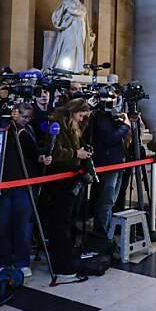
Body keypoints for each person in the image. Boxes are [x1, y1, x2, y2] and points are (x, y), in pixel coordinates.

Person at [43, 98, 93, 283]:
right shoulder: (56, 124)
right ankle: (61, 264)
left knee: (68, 220)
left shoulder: (72, 125)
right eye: (81, 115)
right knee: (60, 221)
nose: (82, 119)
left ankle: (67, 258)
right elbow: (54, 151)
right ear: (74, 111)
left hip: (70, 177)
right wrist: (75, 154)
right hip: (59, 179)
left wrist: (81, 151)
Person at [0, 103, 41, 278]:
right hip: (4, 182)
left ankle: (22, 261)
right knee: (3, 225)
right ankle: (4, 260)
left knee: (23, 225)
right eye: (23, 116)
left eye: (29, 117)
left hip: (25, 182)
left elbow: (33, 154)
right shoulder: (4, 130)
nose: (26, 120)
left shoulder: (28, 132)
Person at [88, 106, 131, 246]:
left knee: (111, 200)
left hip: (118, 161)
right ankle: (101, 234)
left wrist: (123, 121)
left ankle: (105, 231)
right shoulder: (99, 117)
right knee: (106, 200)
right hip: (108, 162)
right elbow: (110, 138)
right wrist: (125, 126)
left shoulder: (112, 116)